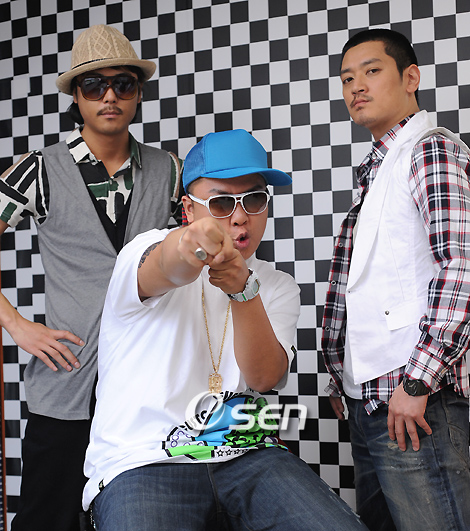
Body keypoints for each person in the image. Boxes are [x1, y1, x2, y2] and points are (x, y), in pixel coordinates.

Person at [83, 129, 367, 531]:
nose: (239, 216)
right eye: (220, 203)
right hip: (143, 459)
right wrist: (189, 246)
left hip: (248, 454)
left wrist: (243, 289)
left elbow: (265, 378)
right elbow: (166, 266)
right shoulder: (144, 249)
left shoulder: (278, 285)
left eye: (254, 199)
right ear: (188, 209)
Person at [0, 24, 183, 531]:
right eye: (94, 85)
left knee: (145, 517)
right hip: (68, 384)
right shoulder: (39, 169)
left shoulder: (169, 170)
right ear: (76, 97)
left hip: (148, 391)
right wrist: (17, 326)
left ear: (138, 94)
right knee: (47, 519)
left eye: (123, 84)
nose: (109, 96)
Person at [321, 28, 470, 531]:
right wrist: (343, 375)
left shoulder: (429, 150)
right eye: (347, 78)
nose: (356, 86)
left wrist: (419, 379)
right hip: (370, 399)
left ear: (411, 79)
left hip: (415, 398)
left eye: (371, 71)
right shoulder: (381, 165)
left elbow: (462, 264)